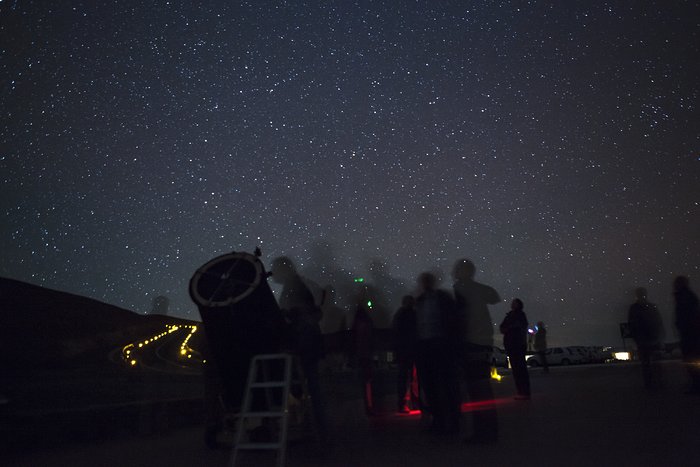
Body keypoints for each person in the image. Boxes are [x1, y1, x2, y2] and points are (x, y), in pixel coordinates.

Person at [271, 256, 326, 431]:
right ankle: (319, 428)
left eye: (276, 268)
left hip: (304, 342)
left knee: (311, 386)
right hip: (310, 341)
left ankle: (318, 429)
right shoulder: (297, 284)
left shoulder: (293, 287)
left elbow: (297, 313)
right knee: (312, 386)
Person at [452, 259, 500, 443]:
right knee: (479, 387)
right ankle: (486, 429)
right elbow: (494, 297)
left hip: (473, 341)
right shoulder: (473, 289)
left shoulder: (463, 289)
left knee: (478, 388)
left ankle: (484, 431)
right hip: (478, 340)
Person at [414, 272, 460, 435]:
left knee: (445, 386)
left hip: (440, 346)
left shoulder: (442, 299)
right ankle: (440, 421)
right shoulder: (420, 301)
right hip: (427, 348)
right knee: (431, 387)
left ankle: (451, 422)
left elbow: (454, 321)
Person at [628, 287, 664, 389]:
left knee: (648, 364)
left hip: (647, 340)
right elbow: (658, 322)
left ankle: (652, 383)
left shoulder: (635, 308)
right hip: (647, 340)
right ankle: (654, 383)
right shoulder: (650, 307)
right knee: (649, 364)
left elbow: (632, 324)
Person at [673, 276, 700, 394]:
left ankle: (696, 386)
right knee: (692, 360)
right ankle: (695, 384)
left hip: (690, 335)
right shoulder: (688, 296)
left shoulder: (684, 297)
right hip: (692, 335)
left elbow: (687, 317)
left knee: (691, 360)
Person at [500, 298, 531, 400]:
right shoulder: (509, 315)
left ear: (518, 304)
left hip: (518, 345)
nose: (512, 303)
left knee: (520, 369)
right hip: (511, 345)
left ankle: (524, 392)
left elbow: (519, 327)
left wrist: (508, 328)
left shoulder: (520, 315)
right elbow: (502, 327)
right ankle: (521, 392)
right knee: (516, 369)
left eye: (514, 302)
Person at [392, 295, 418, 413]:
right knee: (413, 379)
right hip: (411, 351)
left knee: (403, 379)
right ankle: (414, 403)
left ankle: (402, 404)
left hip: (403, 351)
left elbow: (396, 333)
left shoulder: (399, 315)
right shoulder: (413, 314)